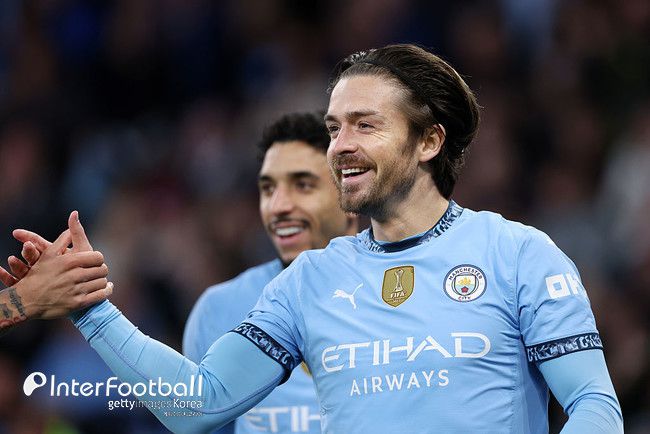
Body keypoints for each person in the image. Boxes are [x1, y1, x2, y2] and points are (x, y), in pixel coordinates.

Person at [4, 44, 623, 433]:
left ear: (430, 141)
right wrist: (92, 310)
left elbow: (595, 405)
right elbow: (198, 404)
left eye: (364, 125)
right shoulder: (308, 280)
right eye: (333, 128)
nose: (340, 147)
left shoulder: (519, 254)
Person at [183, 112, 357, 434]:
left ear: (351, 195)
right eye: (267, 189)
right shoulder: (218, 309)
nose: (278, 206)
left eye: (303, 185)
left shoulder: (391, 294)